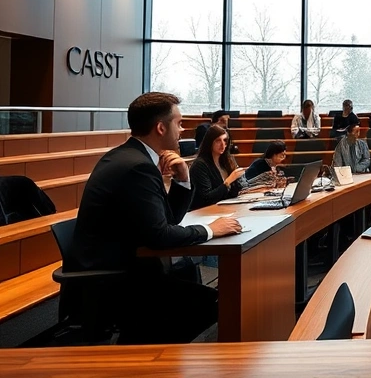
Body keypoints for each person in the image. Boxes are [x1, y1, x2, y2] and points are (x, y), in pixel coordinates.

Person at [69, 92, 241, 345]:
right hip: (117, 279)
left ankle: (144, 351)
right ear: (161, 127)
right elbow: (161, 235)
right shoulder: (137, 166)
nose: (182, 130)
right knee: (214, 303)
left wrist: (183, 179)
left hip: (125, 267)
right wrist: (211, 230)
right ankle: (141, 357)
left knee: (200, 293)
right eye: (179, 123)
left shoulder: (130, 157)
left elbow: (167, 220)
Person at [189, 124, 248, 209]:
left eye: (225, 140)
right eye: (218, 141)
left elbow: (235, 192)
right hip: (203, 212)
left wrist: (238, 181)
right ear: (210, 142)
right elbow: (206, 198)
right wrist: (228, 181)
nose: (223, 144)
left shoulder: (227, 161)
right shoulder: (199, 165)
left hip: (223, 208)